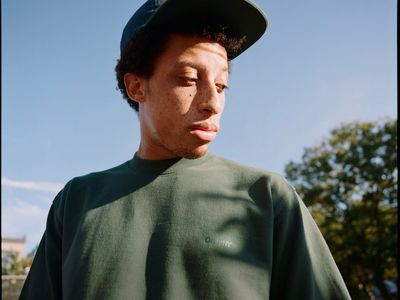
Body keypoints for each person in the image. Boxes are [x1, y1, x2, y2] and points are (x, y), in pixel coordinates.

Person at [20, 0, 352, 299]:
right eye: (189, 79)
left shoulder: (267, 196)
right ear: (137, 86)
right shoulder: (77, 201)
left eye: (221, 85)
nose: (213, 102)